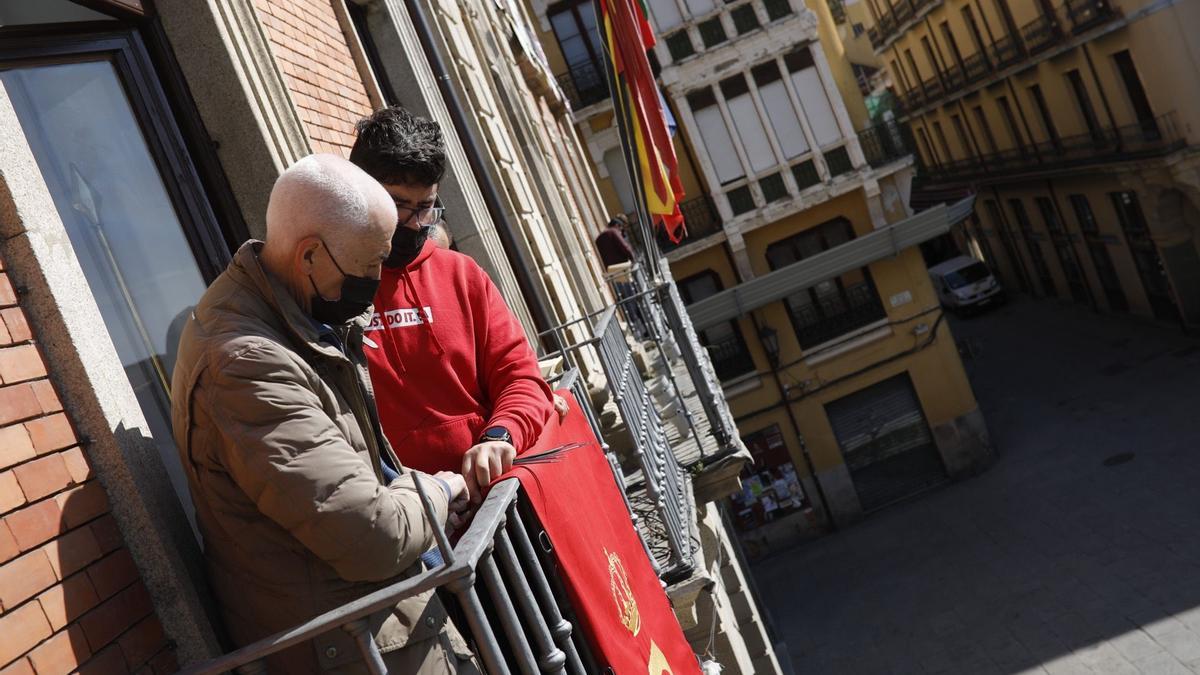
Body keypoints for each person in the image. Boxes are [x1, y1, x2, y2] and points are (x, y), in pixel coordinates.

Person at [170, 154, 477, 674]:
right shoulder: (247, 364)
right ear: (310, 253)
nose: (377, 281)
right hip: (354, 649)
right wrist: (439, 493)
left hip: (380, 635)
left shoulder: (290, 317)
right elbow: (373, 536)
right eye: (367, 266)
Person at [350, 107, 555, 502]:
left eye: (425, 206)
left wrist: (502, 435)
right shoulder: (327, 288)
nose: (413, 223)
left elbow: (522, 377)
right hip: (417, 527)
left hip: (501, 502)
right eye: (397, 205)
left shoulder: (462, 273)